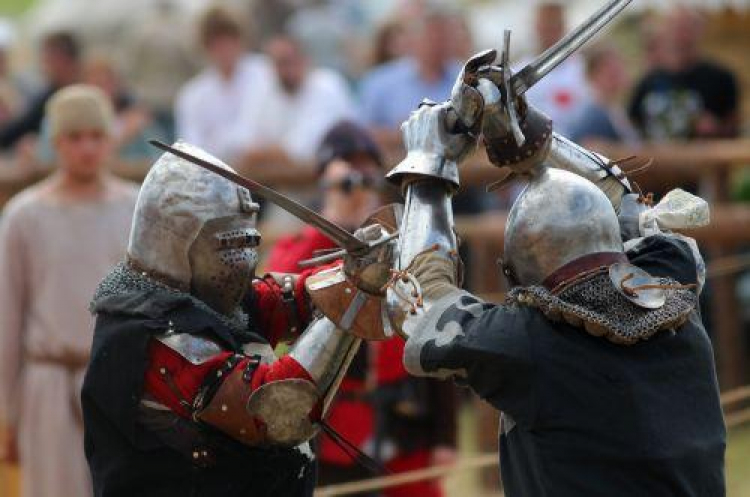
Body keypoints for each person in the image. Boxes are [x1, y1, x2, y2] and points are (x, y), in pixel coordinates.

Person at [385, 51, 724, 496]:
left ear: (518, 275)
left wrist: (429, 162)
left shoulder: (530, 343)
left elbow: (419, 307)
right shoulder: (675, 281)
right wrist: (526, 132)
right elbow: (626, 202)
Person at [81, 140, 394, 497]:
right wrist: (356, 293)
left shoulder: (211, 302)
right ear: (178, 244)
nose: (245, 259)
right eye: (230, 246)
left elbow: (296, 299)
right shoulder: (147, 336)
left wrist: (356, 270)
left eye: (249, 243)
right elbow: (278, 411)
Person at [265, 122, 457, 497]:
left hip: (404, 421)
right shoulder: (302, 248)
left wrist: (445, 435)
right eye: (346, 167)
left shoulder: (405, 245)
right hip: (331, 426)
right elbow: (284, 295)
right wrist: (337, 223)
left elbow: (437, 329)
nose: (358, 179)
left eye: (365, 168)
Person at [0, 85, 139, 497]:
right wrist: (6, 411)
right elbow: (7, 317)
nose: (87, 148)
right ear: (56, 142)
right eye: (75, 138)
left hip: (120, 385)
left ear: (109, 140)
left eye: (96, 136)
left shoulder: (134, 210)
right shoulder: (25, 216)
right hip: (49, 385)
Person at [229, 33, 356, 168]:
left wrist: (259, 155)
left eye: (288, 61)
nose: (284, 69)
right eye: (278, 63)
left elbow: (300, 151)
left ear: (305, 59)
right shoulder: (266, 92)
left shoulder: (327, 86)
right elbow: (243, 143)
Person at [174, 5, 270, 160]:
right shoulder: (193, 93)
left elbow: (262, 132)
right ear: (205, 47)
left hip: (266, 175)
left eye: (228, 41)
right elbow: (191, 146)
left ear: (240, 40)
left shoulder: (266, 74)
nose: (224, 50)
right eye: (216, 44)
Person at [628, 7, 740, 140]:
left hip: (704, 159)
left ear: (699, 31)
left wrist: (716, 129)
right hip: (658, 160)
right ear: (666, 32)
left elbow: (734, 129)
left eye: (687, 28)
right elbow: (631, 128)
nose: (680, 36)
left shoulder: (721, 78)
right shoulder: (648, 81)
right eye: (675, 28)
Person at [0, 31, 81, 151]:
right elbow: (20, 127)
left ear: (62, 59)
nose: (44, 65)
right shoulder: (48, 93)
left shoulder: (76, 93)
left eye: (47, 58)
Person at [520, 3, 589, 136]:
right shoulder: (518, 72)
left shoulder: (582, 67)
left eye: (556, 23)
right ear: (536, 26)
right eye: (547, 23)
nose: (551, 28)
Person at [568, 44, 639, 146]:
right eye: (608, 69)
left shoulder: (614, 109)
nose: (616, 69)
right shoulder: (594, 116)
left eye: (619, 65)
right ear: (592, 76)